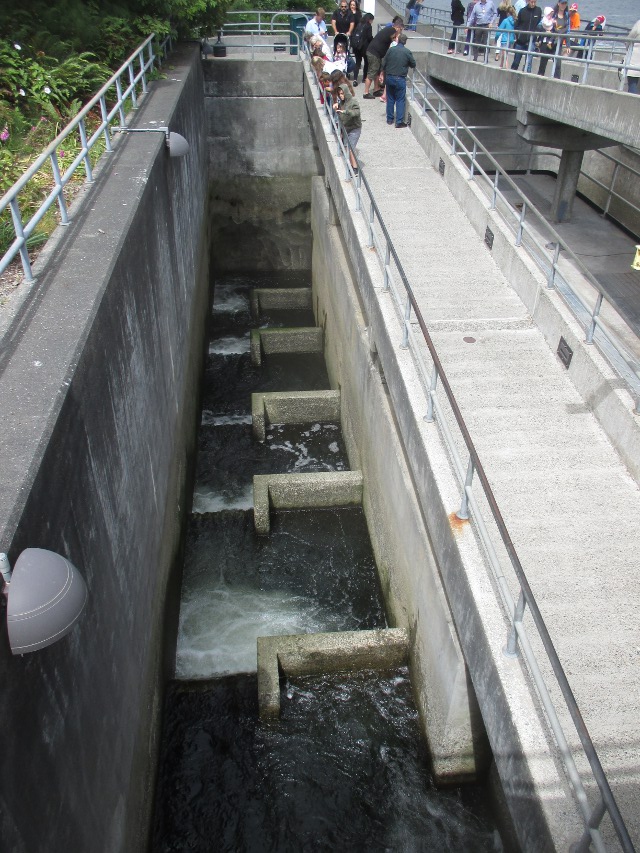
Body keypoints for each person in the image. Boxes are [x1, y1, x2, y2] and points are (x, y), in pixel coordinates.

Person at [363, 16, 404, 98]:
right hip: (374, 53)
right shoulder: (392, 31)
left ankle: (376, 89)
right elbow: (395, 41)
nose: (400, 32)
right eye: (401, 30)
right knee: (372, 72)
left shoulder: (388, 29)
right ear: (398, 27)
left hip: (375, 52)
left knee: (377, 72)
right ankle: (366, 93)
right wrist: (398, 36)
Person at [382, 31, 416, 127]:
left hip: (389, 77)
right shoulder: (407, 52)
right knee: (400, 100)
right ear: (405, 42)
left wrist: (382, 73)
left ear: (397, 40)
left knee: (391, 98)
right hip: (400, 78)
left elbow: (384, 63)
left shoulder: (391, 50)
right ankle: (399, 121)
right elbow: (413, 64)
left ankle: (389, 119)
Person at [333, 85, 362, 175]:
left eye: (342, 93)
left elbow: (356, 113)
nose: (341, 96)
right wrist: (336, 107)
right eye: (339, 94)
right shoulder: (341, 102)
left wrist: (345, 111)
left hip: (354, 129)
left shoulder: (353, 102)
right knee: (346, 146)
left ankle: (355, 168)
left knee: (350, 148)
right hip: (346, 128)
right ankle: (350, 166)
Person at [511, 0, 542, 71]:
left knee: (529, 62)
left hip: (532, 41)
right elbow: (517, 24)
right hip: (521, 40)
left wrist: (537, 37)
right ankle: (512, 74)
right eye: (531, 2)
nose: (533, 4)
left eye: (534, 2)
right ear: (528, 1)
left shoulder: (538, 10)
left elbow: (539, 24)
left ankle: (527, 74)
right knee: (516, 61)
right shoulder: (522, 11)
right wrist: (518, 35)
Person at [351, 12, 373, 85]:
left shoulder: (359, 24)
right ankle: (364, 78)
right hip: (364, 47)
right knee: (366, 62)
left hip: (357, 47)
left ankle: (355, 79)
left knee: (357, 62)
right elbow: (369, 37)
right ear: (369, 19)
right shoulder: (368, 26)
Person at [624, 19, 640, 94]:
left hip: (635, 57)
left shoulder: (639, 23)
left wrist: (627, 47)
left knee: (632, 82)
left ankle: (632, 101)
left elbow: (631, 36)